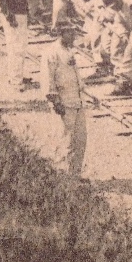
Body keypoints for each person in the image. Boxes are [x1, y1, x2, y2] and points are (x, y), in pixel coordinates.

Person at [41, 21, 88, 179]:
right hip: (63, 104)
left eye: (74, 32)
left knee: (80, 140)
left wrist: (88, 93)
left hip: (77, 102)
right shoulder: (51, 53)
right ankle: (62, 177)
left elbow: (76, 77)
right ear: (61, 33)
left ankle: (75, 176)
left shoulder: (69, 51)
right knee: (65, 141)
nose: (74, 36)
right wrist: (55, 102)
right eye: (70, 32)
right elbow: (47, 80)